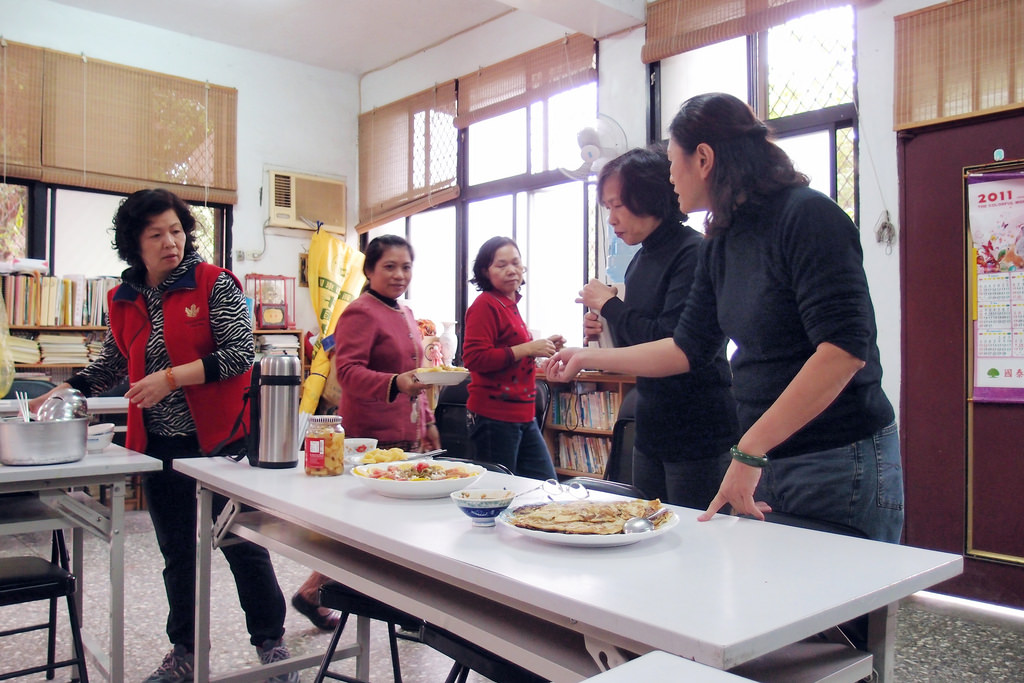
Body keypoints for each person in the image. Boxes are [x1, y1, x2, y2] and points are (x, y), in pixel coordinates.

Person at [546, 93, 902, 544]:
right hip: (763, 453)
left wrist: (750, 450)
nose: (670, 176)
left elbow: (843, 351)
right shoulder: (723, 239)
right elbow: (684, 347)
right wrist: (585, 357)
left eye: (673, 161)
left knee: (840, 610)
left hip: (835, 456)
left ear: (704, 158)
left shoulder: (807, 215)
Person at [30, 189, 297, 682]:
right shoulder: (123, 297)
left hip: (221, 445)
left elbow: (240, 355)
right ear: (135, 242)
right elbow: (113, 359)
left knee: (241, 543)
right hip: (159, 446)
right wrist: (73, 385)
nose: (170, 242)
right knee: (177, 551)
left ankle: (272, 646)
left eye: (176, 230)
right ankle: (186, 651)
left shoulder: (214, 284)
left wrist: (171, 378)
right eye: (156, 234)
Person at [291, 234, 439, 628]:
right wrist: (395, 383)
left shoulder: (406, 314)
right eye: (389, 266)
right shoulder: (359, 312)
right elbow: (349, 372)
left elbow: (417, 377)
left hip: (404, 435)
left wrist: (429, 422)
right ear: (369, 270)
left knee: (391, 529)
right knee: (370, 533)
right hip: (372, 438)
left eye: (406, 266)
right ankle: (332, 595)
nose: (399, 274)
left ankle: (315, 594)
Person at [579, 146, 738, 508]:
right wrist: (602, 330)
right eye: (607, 208)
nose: (611, 220)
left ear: (649, 195)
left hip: (696, 429)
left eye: (617, 205)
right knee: (648, 534)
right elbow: (637, 346)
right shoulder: (640, 259)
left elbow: (672, 344)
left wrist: (611, 306)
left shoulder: (693, 252)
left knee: (697, 548)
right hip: (651, 427)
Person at [462, 236, 565, 479]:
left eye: (516, 263)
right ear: (485, 271)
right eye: (501, 265)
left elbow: (512, 353)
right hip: (494, 417)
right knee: (499, 492)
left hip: (523, 414)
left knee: (545, 485)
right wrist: (528, 348)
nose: (511, 270)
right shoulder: (485, 304)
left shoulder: (509, 304)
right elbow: (474, 358)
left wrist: (543, 346)